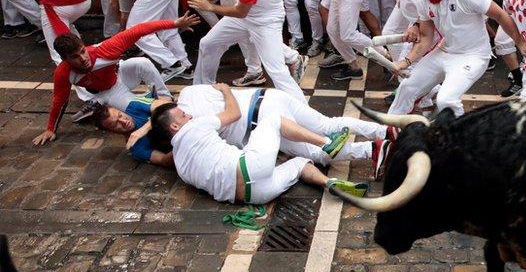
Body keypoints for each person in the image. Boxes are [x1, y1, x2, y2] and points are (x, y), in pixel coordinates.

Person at [149, 85, 367, 205]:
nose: (188, 113)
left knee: (300, 163)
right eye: (182, 114)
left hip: (253, 196)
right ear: (175, 127)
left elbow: (164, 159)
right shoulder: (195, 126)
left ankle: (329, 183)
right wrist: (226, 90)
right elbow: (233, 114)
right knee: (272, 119)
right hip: (249, 166)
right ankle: (326, 144)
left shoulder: (179, 165)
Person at [112, 83, 386, 170]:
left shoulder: (191, 124)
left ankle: (370, 149)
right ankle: (382, 134)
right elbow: (159, 107)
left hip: (263, 120)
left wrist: (142, 131)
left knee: (317, 154)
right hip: (270, 96)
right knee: (329, 124)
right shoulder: (191, 92)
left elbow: (171, 154)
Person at [387, 0, 526, 117]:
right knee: (406, 88)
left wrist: (519, 42)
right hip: (445, 51)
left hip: (473, 56)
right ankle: (388, 134)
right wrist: (405, 61)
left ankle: (458, 139)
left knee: (445, 100)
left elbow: (500, 15)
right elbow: (426, 37)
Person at [32, 13, 200, 146]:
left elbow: (139, 29)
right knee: (138, 111)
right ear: (65, 59)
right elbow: (59, 100)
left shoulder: (106, 50)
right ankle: (96, 104)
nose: (83, 58)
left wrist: (175, 23)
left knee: (142, 62)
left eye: (83, 51)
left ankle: (166, 98)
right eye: (75, 57)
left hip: (119, 75)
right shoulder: (63, 72)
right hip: (108, 93)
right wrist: (50, 129)